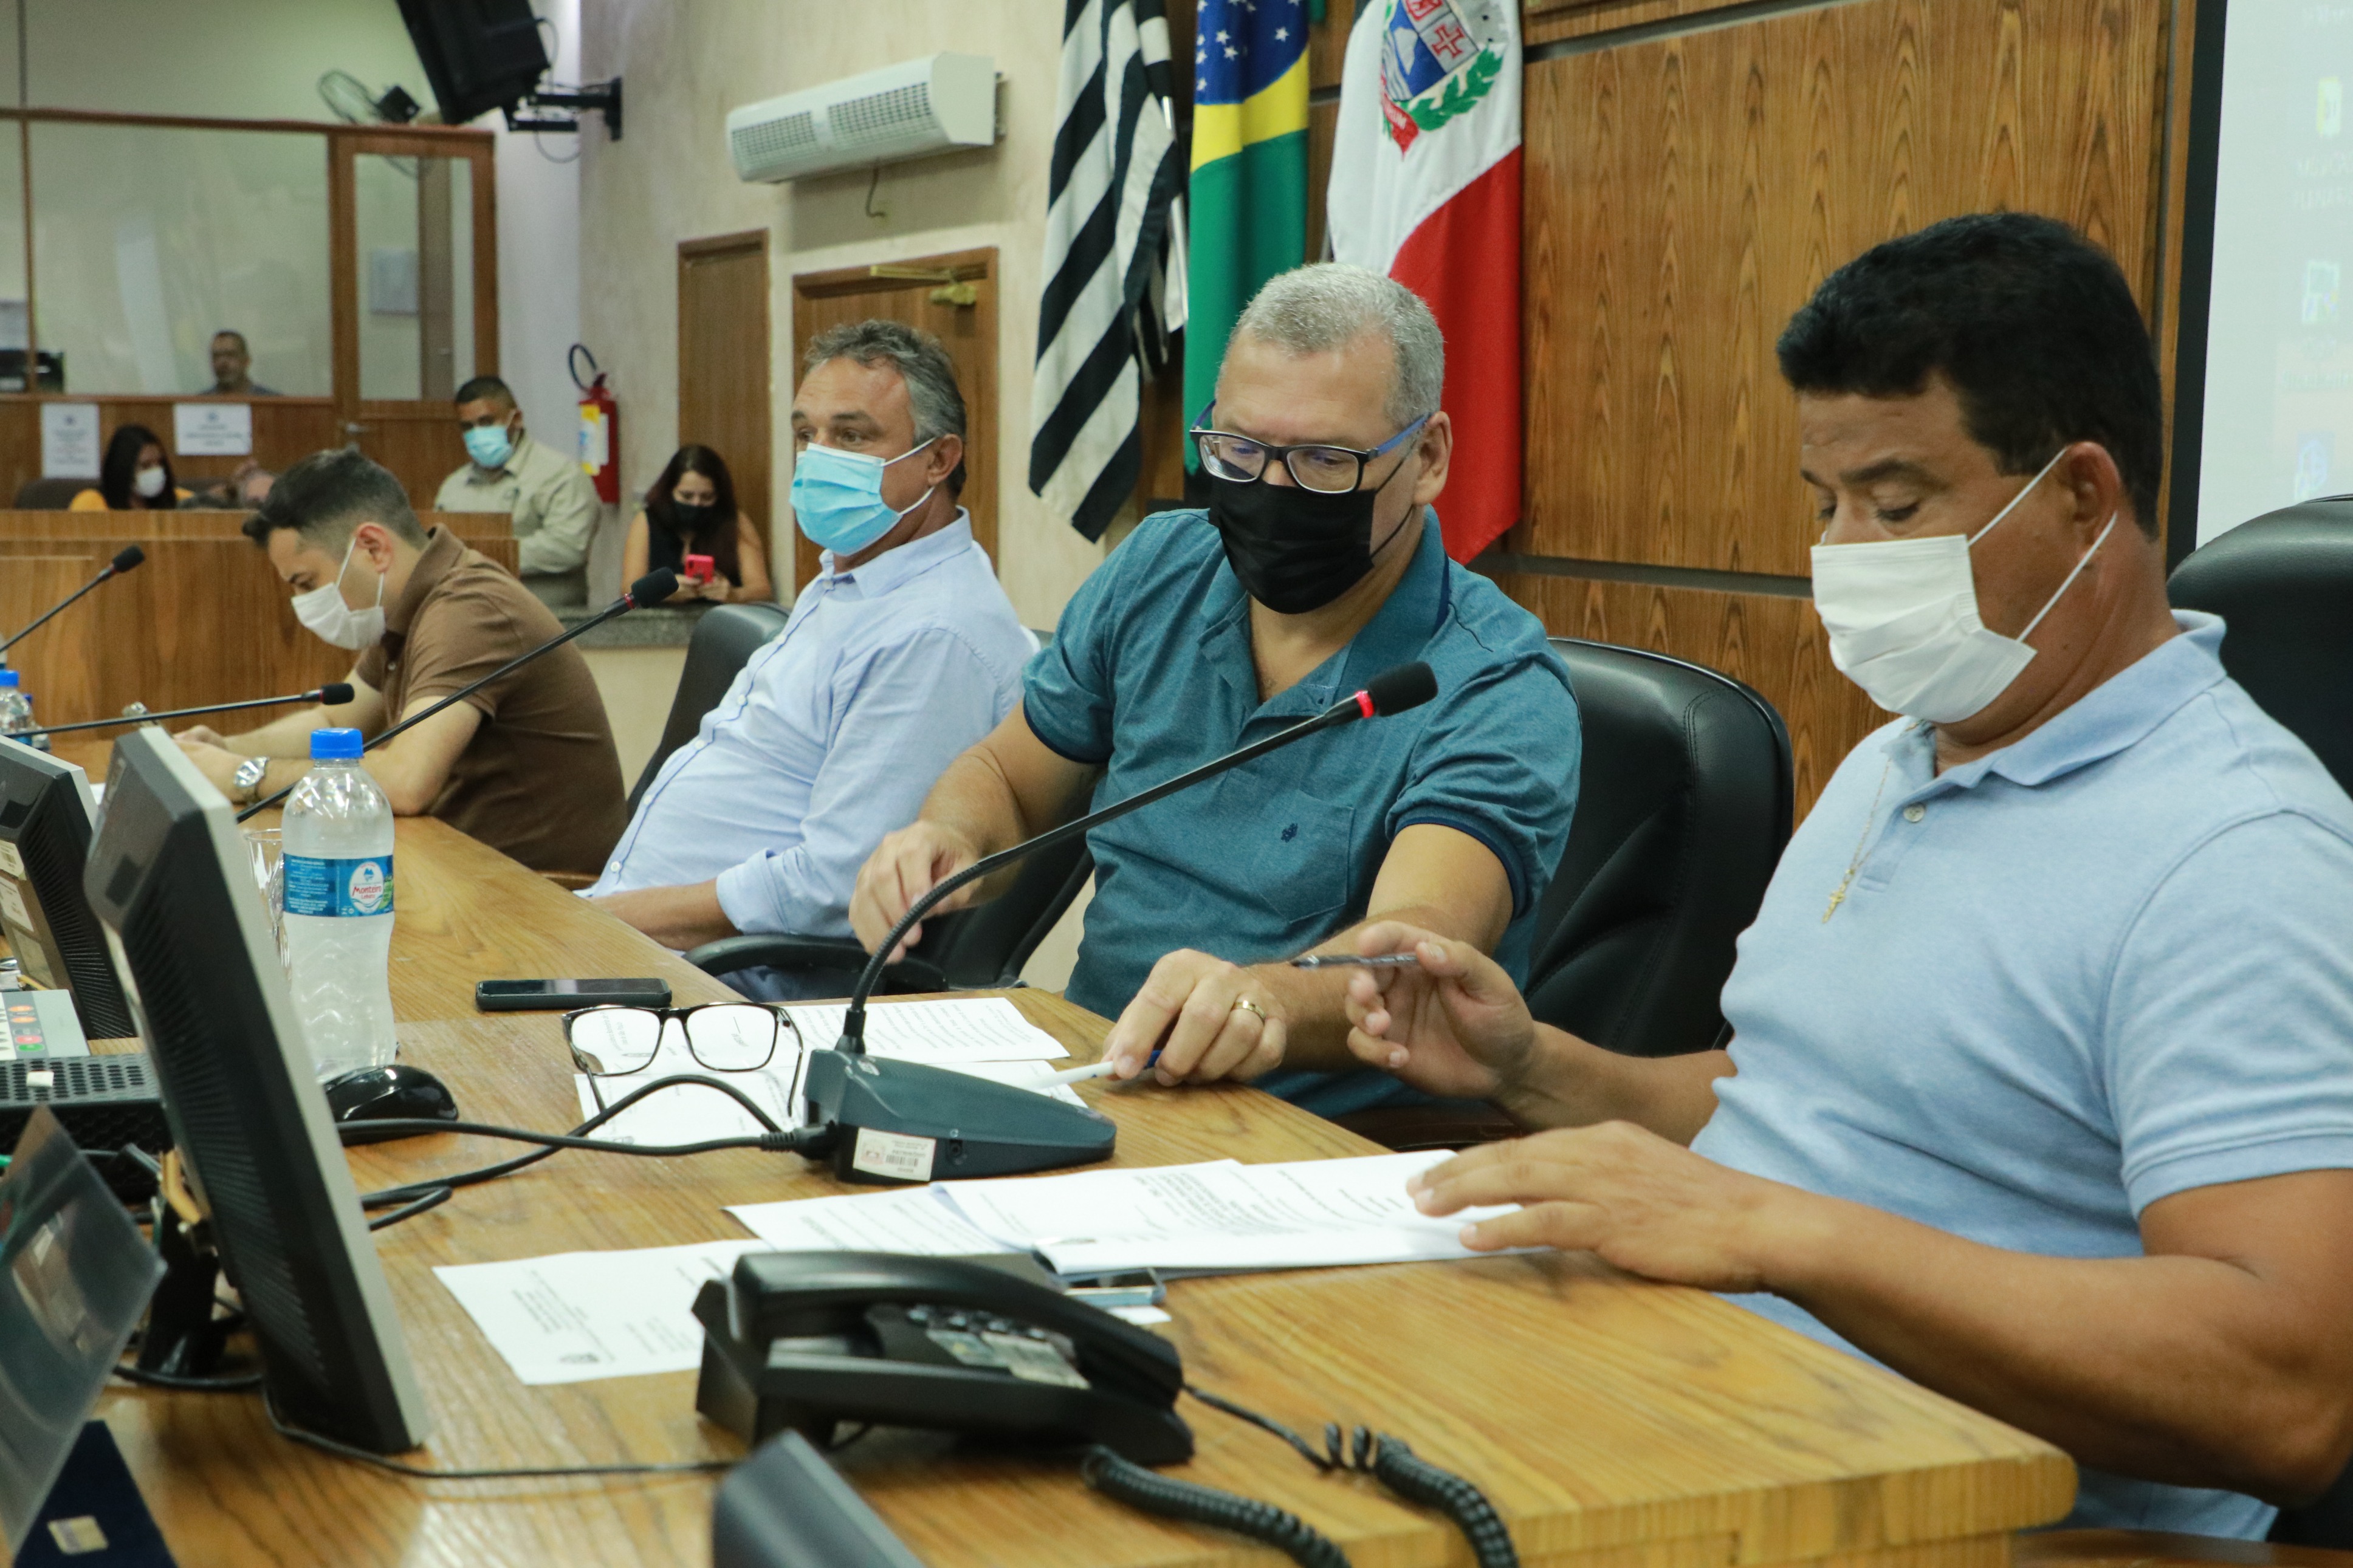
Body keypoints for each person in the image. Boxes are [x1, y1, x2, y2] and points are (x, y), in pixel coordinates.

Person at [1336, 214, 2353, 1538]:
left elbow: (2285, 1391)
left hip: (1968, 1517)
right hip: (1706, 1411)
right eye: (1828, 505)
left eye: (1897, 504)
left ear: (2081, 497)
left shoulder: (2239, 855)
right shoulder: (1902, 754)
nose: (1848, 557)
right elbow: (1802, 1105)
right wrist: (1533, 1070)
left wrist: (1784, 1233)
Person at [850, 264, 1579, 1120]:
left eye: (1323, 460)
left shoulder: (1494, 681)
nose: (1269, 490)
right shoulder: (1159, 568)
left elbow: (1418, 950)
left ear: (1425, 458)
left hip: (1318, 1139)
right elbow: (1007, 776)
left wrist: (1264, 998)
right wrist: (949, 836)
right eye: (1237, 450)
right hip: (1092, 1077)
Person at [585, 321, 1031, 987]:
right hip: (643, 946)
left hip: (726, 985)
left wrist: (603, 922)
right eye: (805, 434)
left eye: (851, 437)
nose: (816, 458)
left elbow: (830, 885)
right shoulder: (854, 578)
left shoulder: (933, 632)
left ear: (938, 460)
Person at [176, 447, 628, 877]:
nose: (302, 603)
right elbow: (336, 719)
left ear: (373, 548)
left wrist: (243, 776)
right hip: (463, 872)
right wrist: (224, 749)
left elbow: (407, 782)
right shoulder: (409, 606)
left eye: (307, 582)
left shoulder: (469, 609)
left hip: (542, 896)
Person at [433, 374, 600, 608]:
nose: (477, 433)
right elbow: (437, 550)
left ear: (517, 419)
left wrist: (479, 555)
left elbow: (568, 548)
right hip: (469, 612)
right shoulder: (454, 487)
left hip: (547, 616)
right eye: (467, 427)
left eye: (487, 422)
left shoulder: (561, 475)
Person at [620, 445, 773, 604]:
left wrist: (734, 595)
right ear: (670, 491)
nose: (696, 504)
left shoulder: (735, 522)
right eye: (686, 496)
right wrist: (664, 593)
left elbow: (762, 591)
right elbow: (628, 590)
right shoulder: (647, 521)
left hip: (718, 616)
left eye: (707, 497)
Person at [71, 425, 189, 510]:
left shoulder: (182, 500)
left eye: (160, 463)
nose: (156, 471)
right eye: (146, 465)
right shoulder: (91, 503)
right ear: (124, 469)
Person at [201, 330, 278, 396]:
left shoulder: (271, 402)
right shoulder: (200, 404)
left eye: (230, 355)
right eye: (216, 356)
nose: (223, 362)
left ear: (246, 361)